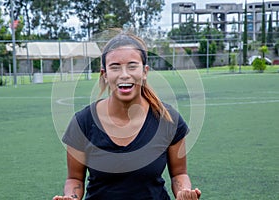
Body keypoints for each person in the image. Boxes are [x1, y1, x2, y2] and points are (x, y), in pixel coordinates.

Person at [53, 32, 201, 200]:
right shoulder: (82, 122)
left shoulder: (168, 120)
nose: (124, 74)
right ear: (105, 74)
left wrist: (183, 192)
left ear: (144, 72)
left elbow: (179, 174)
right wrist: (71, 196)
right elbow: (74, 178)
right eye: (115, 67)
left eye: (132, 66)